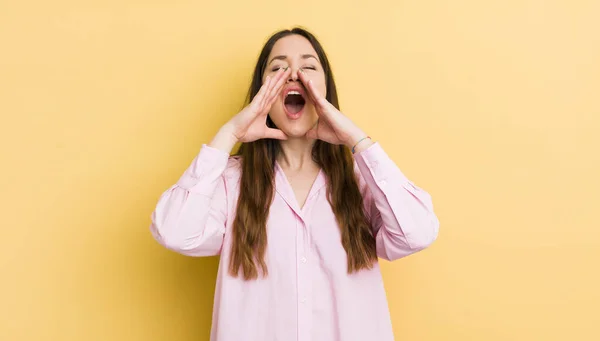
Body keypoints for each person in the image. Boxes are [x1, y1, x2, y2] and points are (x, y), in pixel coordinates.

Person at [149, 27, 439, 341]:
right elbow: (175, 232)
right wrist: (228, 134)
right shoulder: (230, 183)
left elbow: (416, 234)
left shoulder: (363, 181)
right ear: (263, 92)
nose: (293, 75)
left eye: (308, 66)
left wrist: (358, 141)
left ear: (325, 89)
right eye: (278, 68)